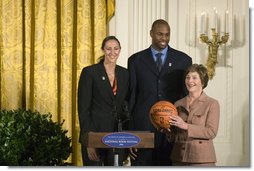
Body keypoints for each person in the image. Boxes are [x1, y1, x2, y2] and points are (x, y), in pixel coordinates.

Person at [127, 19, 192, 166]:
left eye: (167, 35)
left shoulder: (183, 60)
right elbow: (132, 96)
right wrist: (129, 134)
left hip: (171, 128)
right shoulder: (135, 60)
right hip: (142, 127)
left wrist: (182, 127)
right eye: (160, 34)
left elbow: (185, 97)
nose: (164, 38)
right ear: (151, 34)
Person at [78, 36, 129, 166]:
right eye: (108, 49)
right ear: (102, 50)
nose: (113, 52)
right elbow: (83, 109)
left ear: (120, 50)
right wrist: (89, 141)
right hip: (95, 133)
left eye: (116, 48)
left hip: (117, 135)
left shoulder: (125, 74)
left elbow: (125, 105)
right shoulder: (90, 72)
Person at [168, 64, 220, 166]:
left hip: (201, 159)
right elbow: (174, 135)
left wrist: (186, 126)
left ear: (203, 81)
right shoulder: (177, 103)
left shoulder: (212, 103)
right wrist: (166, 129)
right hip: (179, 158)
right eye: (187, 78)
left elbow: (211, 132)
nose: (190, 81)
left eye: (194, 78)